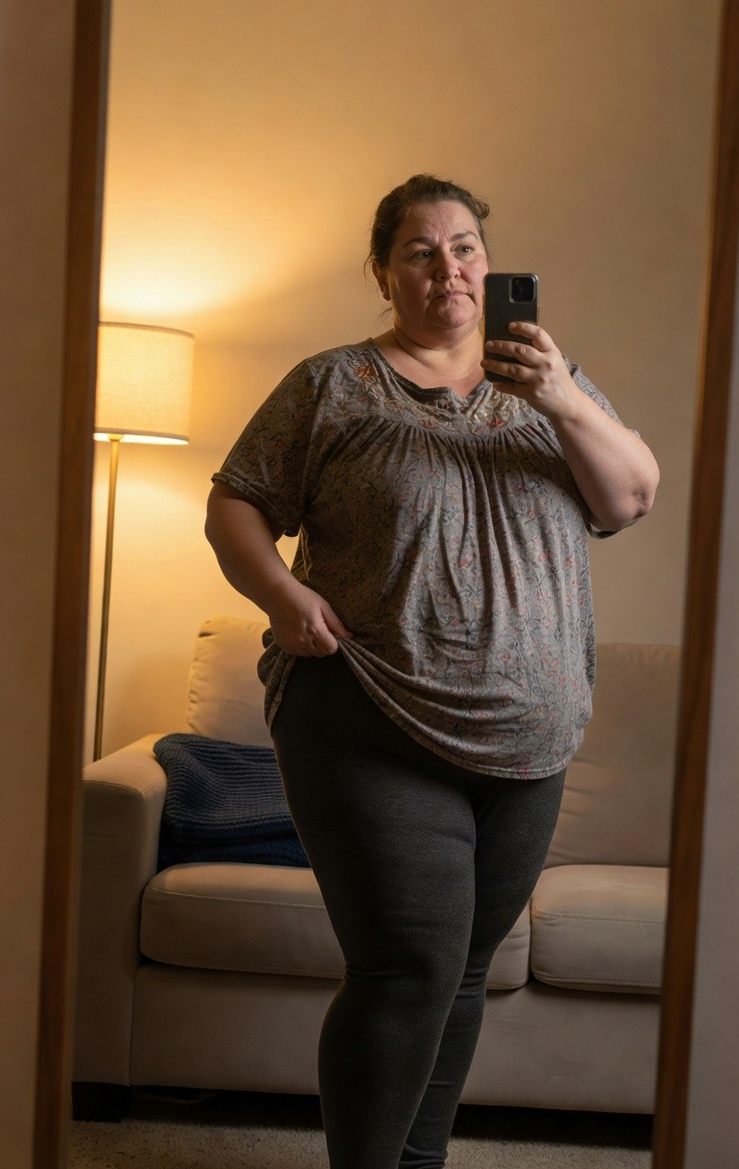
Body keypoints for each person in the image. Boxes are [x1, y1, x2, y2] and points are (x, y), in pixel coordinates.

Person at [205, 173, 659, 1169]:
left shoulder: (554, 384)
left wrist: (555, 396)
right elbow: (234, 503)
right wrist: (285, 600)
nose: (445, 268)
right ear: (384, 273)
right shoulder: (331, 386)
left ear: (488, 270)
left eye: (464, 248)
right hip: (368, 714)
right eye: (419, 250)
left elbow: (630, 497)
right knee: (407, 967)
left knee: (457, 975)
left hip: (530, 741)